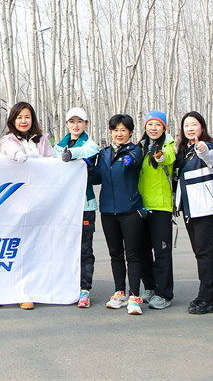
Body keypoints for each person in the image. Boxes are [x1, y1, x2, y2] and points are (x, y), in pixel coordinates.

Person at [88, 114, 146, 315]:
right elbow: (97, 177)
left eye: (123, 130)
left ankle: (134, 296)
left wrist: (130, 159)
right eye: (115, 130)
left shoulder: (135, 150)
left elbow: (136, 160)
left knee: (133, 254)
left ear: (130, 132)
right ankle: (119, 292)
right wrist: (85, 166)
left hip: (130, 210)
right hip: (108, 211)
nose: (119, 134)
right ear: (110, 132)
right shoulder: (104, 153)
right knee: (115, 254)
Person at [0, 101, 54, 310]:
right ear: (13, 120)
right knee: (19, 247)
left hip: (41, 201)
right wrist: (18, 154)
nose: (23, 121)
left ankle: (39, 288)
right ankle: (22, 292)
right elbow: (8, 149)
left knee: (38, 246)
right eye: (19, 117)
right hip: (18, 201)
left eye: (27, 117)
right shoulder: (8, 139)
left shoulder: (43, 140)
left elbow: (53, 162)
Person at [174, 111, 213, 315]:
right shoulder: (183, 151)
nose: (190, 128)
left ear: (202, 127)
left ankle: (206, 297)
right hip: (190, 209)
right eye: (186, 125)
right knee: (201, 253)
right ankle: (211, 295)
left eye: (194, 124)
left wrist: (201, 148)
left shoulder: (209, 146)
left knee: (205, 253)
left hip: (206, 209)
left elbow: (209, 157)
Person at [54, 107, 101, 309]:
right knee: (64, 247)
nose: (76, 125)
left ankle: (84, 289)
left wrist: (72, 154)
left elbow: (92, 150)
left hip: (84, 205)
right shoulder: (58, 147)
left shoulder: (90, 145)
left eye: (80, 121)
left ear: (86, 124)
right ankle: (67, 286)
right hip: (64, 207)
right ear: (66, 124)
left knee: (84, 249)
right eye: (72, 121)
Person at [137, 110, 176, 311]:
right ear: (145, 127)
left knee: (161, 251)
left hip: (160, 206)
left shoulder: (168, 145)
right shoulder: (140, 146)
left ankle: (164, 293)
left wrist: (159, 156)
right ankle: (150, 287)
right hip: (141, 205)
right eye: (150, 124)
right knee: (143, 250)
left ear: (164, 128)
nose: (153, 128)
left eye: (158, 125)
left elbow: (167, 157)